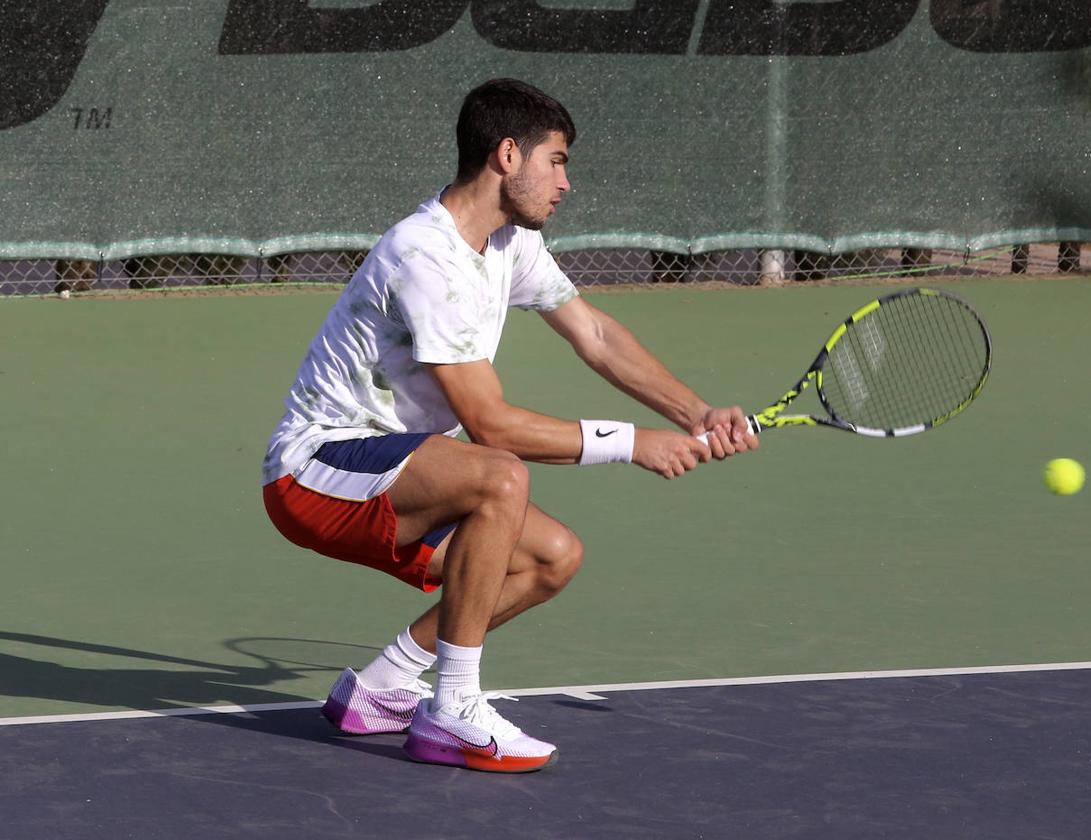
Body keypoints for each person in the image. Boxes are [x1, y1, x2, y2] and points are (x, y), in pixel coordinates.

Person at [260, 78, 757, 774]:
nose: (566, 183)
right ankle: (451, 709)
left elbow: (594, 335)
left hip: (398, 468)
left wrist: (695, 414)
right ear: (506, 155)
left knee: (551, 557)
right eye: (556, 161)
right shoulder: (425, 256)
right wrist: (633, 443)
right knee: (500, 477)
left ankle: (382, 686)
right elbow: (489, 425)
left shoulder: (507, 243)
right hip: (316, 470)